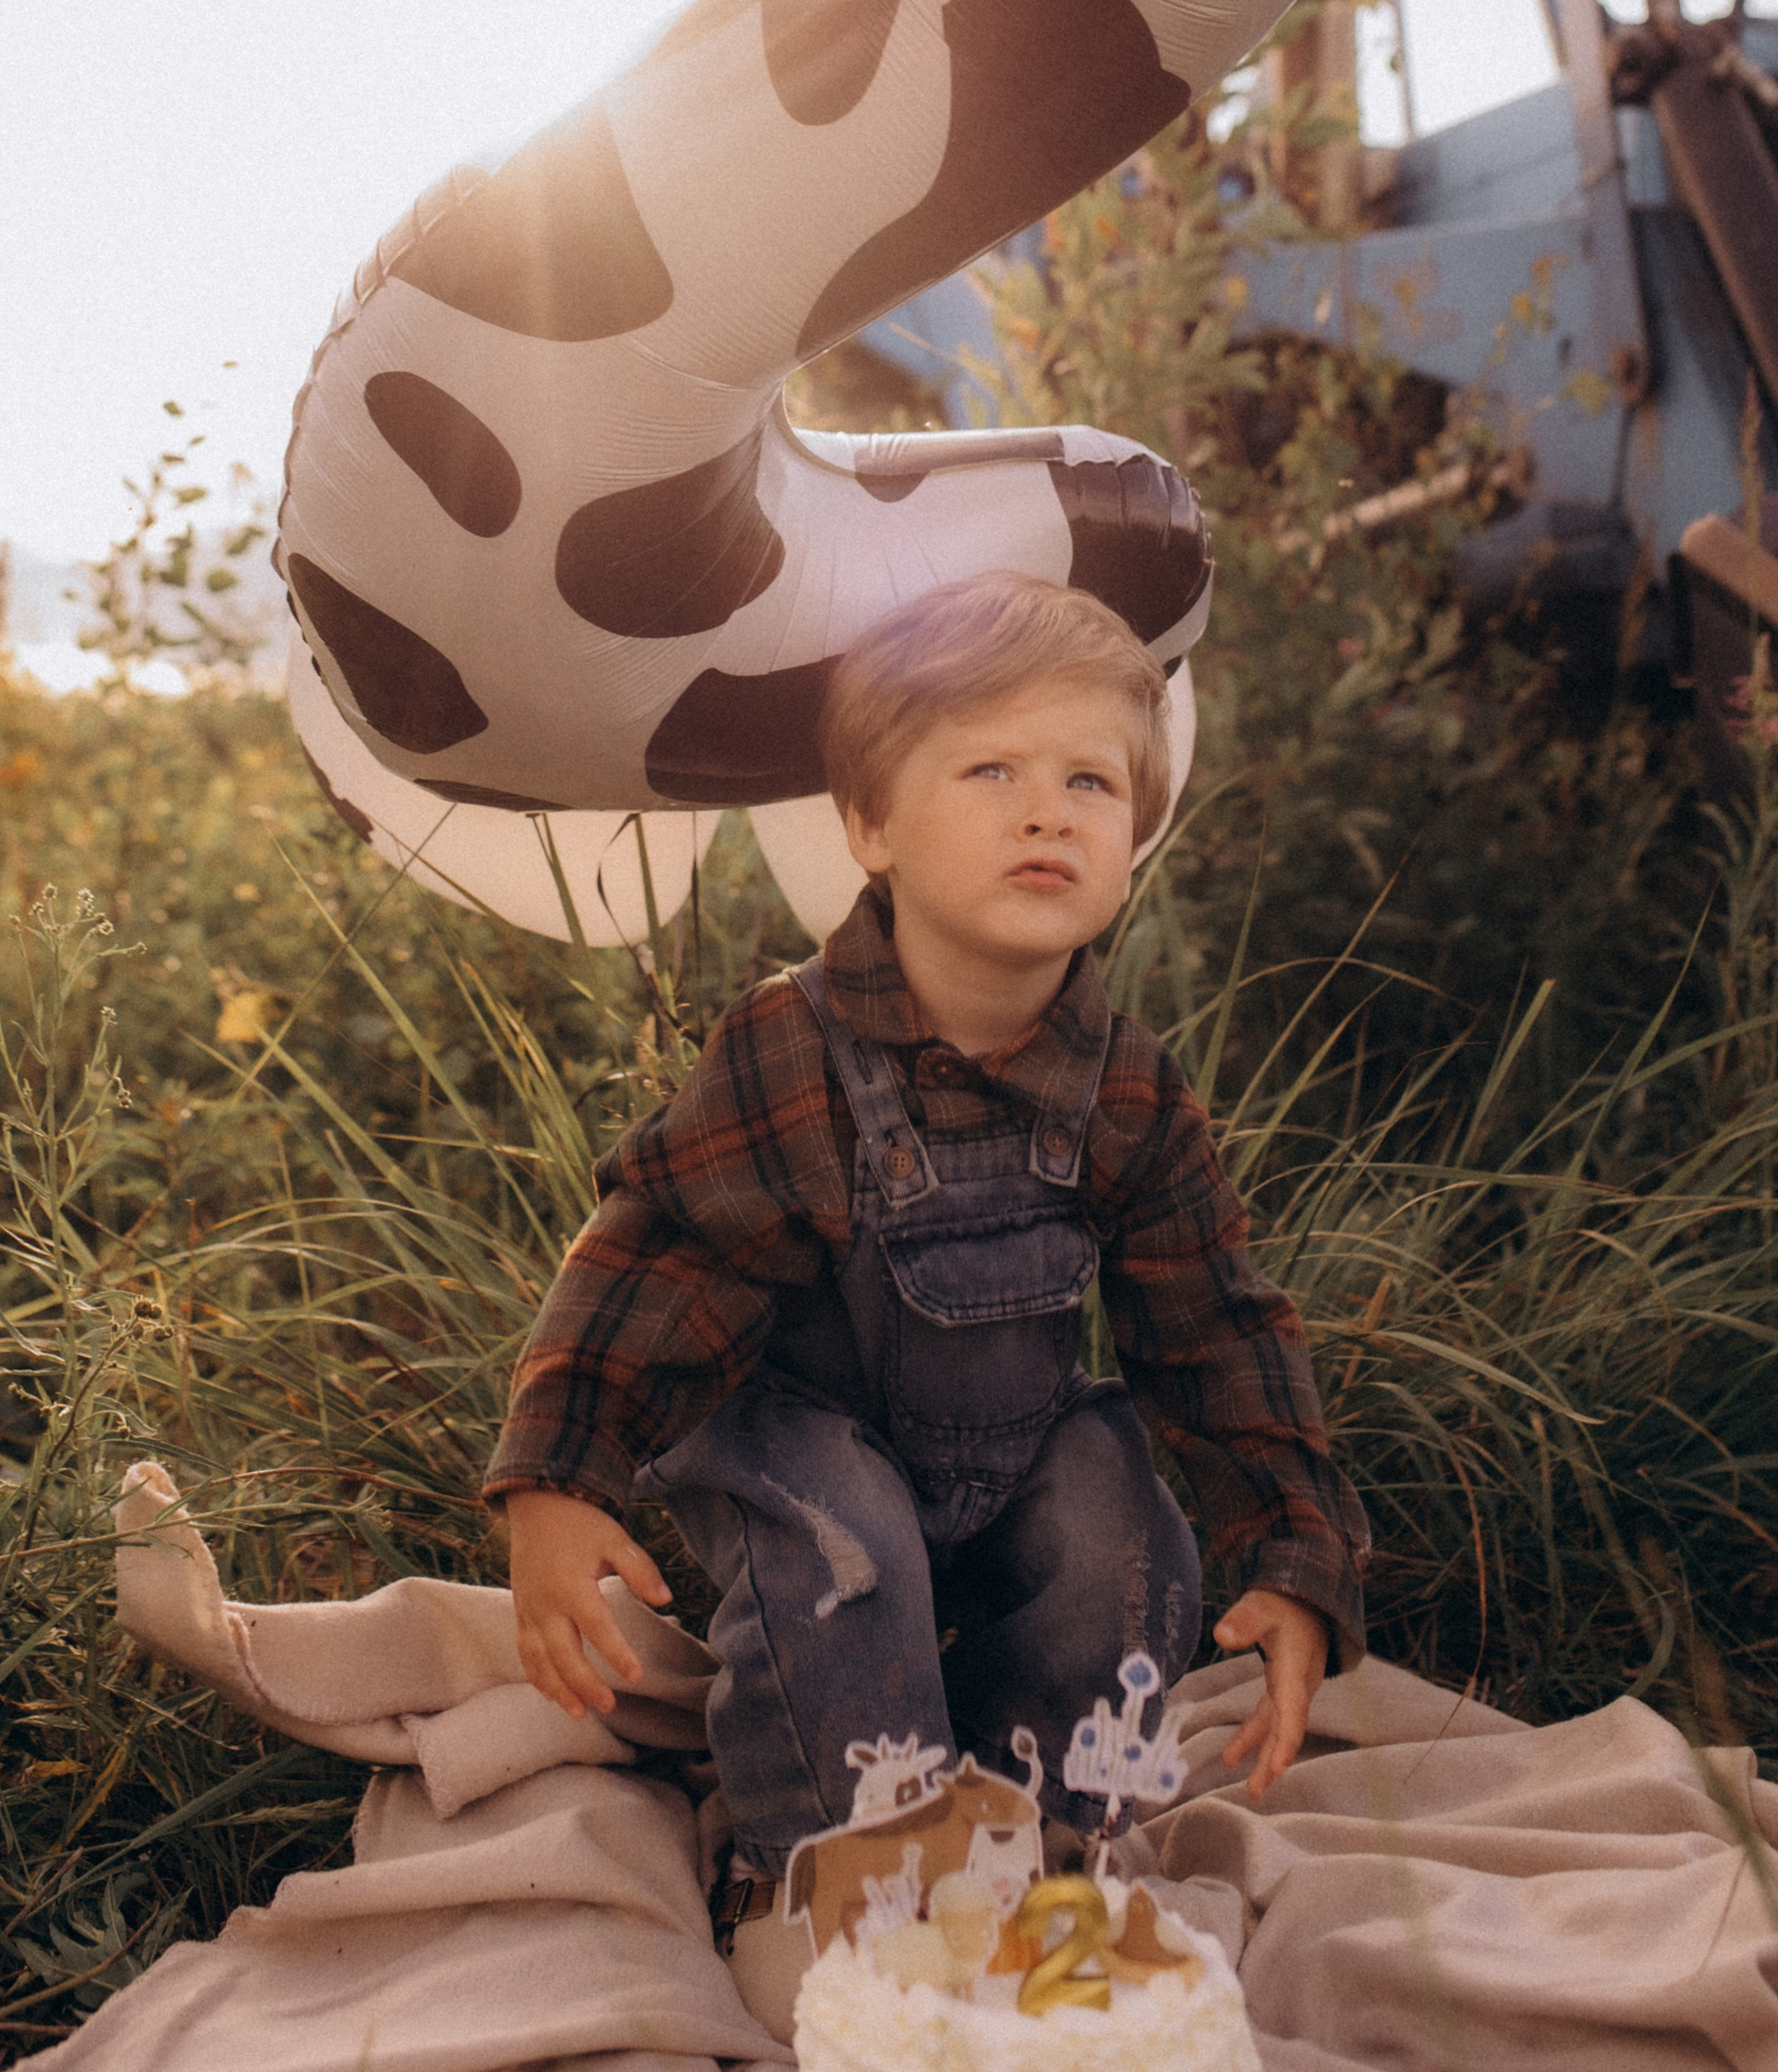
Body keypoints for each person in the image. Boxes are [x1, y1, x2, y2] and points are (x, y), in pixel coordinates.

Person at [486, 569, 1368, 1888]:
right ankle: (832, 1862)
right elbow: (660, 1257)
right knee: (844, 1545)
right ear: (870, 822)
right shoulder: (792, 1046)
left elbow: (1216, 1326)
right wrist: (557, 1477)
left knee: (1119, 1524)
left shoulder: (1126, 1085)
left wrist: (1295, 1553)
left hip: (1002, 1442)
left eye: (1091, 783)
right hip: (796, 1433)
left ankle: (1044, 1823)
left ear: (1135, 834)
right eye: (991, 769)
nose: (1043, 812)